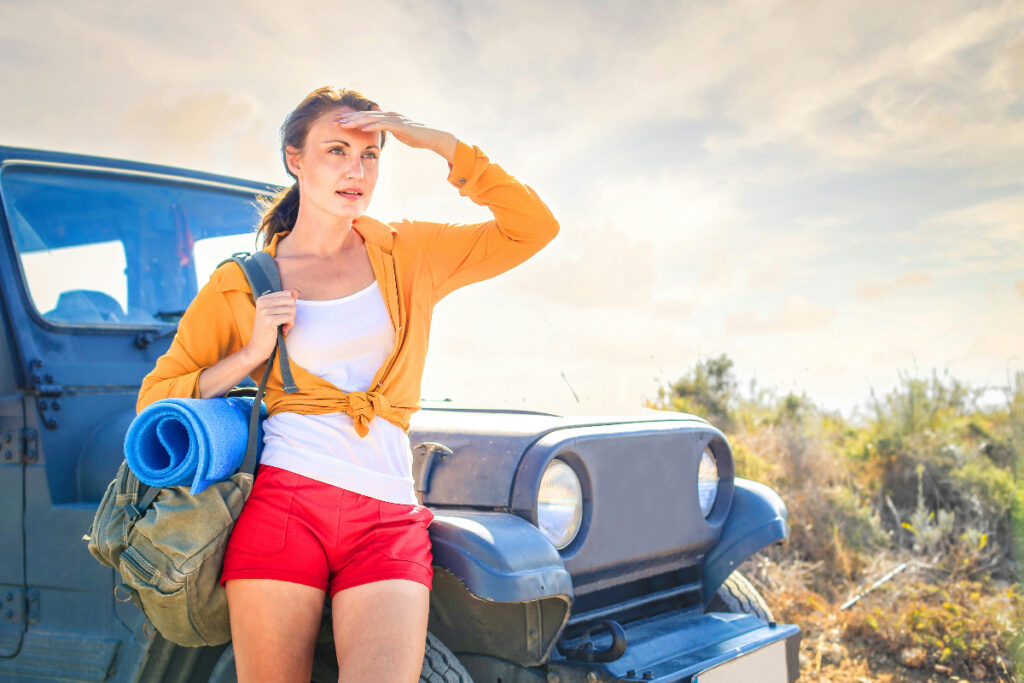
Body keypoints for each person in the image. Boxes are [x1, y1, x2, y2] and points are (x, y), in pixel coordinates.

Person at [135, 86, 559, 682]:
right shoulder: (240, 283)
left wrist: (439, 145)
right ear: (295, 158)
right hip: (284, 509)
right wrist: (252, 353)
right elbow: (155, 401)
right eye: (336, 150)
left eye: (371, 154)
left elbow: (533, 228)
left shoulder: (409, 252)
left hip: (387, 516)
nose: (355, 171)